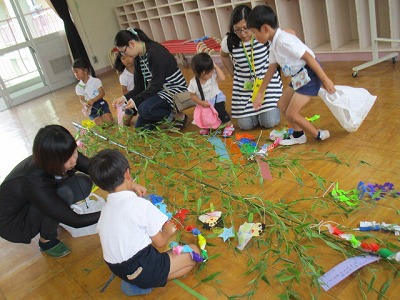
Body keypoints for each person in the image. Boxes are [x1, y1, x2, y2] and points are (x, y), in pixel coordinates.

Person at [89, 149, 199, 296]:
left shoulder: (105, 210)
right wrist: (167, 230)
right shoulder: (140, 205)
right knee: (194, 253)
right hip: (143, 266)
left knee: (154, 263)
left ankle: (136, 280)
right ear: (127, 173)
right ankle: (142, 284)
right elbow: (160, 242)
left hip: (117, 268)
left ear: (102, 186)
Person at [0, 125, 99, 258]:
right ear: (52, 161)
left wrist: (122, 185)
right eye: (67, 159)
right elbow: (76, 221)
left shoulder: (62, 154)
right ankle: (47, 240)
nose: (74, 160)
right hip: (15, 222)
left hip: (35, 200)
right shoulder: (34, 180)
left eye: (74, 151)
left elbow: (91, 167)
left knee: (83, 182)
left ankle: (54, 217)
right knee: (64, 194)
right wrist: (110, 210)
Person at [247, 5, 336, 145]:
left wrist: (325, 79)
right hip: (298, 76)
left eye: (254, 33)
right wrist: (260, 93)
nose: (254, 37)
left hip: (309, 75)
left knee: (292, 113)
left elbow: (309, 57)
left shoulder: (283, 41)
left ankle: (318, 134)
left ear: (265, 28)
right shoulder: (274, 44)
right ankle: (298, 135)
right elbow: (271, 68)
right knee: (282, 104)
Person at [220, 4, 282, 131]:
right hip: (245, 85)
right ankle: (257, 113)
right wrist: (233, 74)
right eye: (238, 29)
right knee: (245, 125)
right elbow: (223, 55)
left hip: (266, 83)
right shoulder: (229, 41)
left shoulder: (261, 35)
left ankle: (269, 109)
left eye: (246, 28)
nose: (242, 34)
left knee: (269, 122)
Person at [112, 28, 188, 130]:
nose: (125, 55)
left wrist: (135, 100)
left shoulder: (156, 52)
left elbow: (156, 84)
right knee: (141, 129)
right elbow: (139, 87)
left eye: (124, 51)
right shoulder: (138, 58)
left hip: (173, 90)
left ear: (132, 44)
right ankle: (163, 118)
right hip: (159, 91)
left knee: (143, 109)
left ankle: (175, 115)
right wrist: (124, 98)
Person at [188, 52, 235, 137]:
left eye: (211, 71)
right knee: (203, 115)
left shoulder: (212, 76)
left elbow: (222, 78)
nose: (210, 74)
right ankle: (206, 127)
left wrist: (215, 66)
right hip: (204, 102)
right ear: (199, 73)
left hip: (217, 98)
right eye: (207, 73)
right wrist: (200, 102)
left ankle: (229, 126)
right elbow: (192, 95)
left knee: (221, 112)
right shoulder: (193, 83)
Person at [72, 58, 114, 126]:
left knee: (109, 122)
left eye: (76, 71)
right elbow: (81, 99)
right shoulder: (78, 87)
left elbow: (102, 93)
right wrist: (84, 103)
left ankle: (105, 114)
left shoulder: (95, 81)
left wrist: (93, 100)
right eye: (74, 72)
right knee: (100, 125)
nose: (75, 74)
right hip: (91, 108)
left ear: (85, 70)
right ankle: (95, 119)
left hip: (101, 103)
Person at [114, 53, 137, 126]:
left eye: (129, 56)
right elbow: (124, 92)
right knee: (123, 123)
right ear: (121, 61)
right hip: (131, 99)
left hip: (143, 96)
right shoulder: (123, 76)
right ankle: (124, 110)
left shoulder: (140, 68)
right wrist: (134, 92)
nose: (127, 60)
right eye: (123, 58)